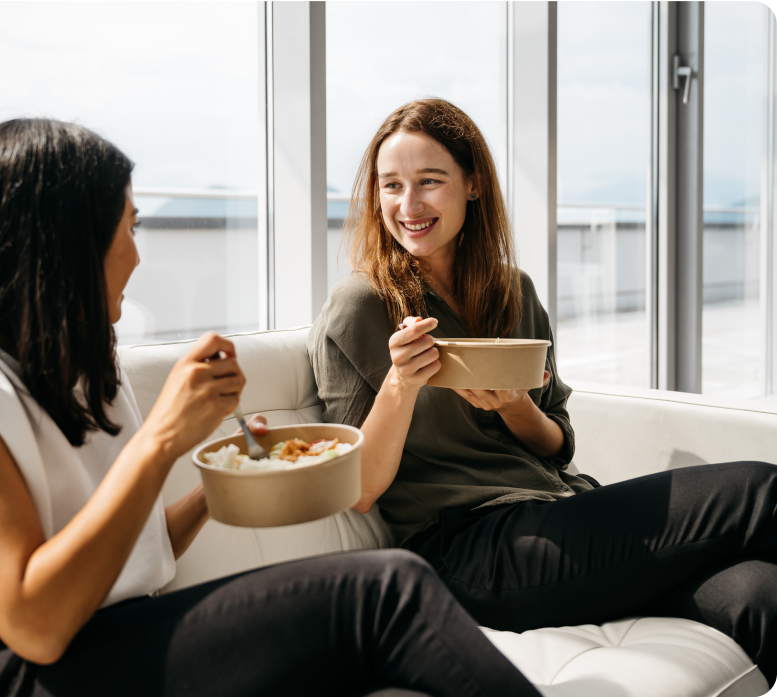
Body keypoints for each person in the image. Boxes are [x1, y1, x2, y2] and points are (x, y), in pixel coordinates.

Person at [0, 118, 540, 697]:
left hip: (104, 638)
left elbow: (104, 552)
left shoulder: (72, 374)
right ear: (66, 245)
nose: (137, 251)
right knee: (390, 588)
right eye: (129, 225)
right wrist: (161, 438)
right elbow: (34, 620)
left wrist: (226, 492)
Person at [308, 97, 777, 686]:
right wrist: (401, 384)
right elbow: (357, 489)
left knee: (761, 594)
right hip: (472, 550)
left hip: (562, 513)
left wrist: (515, 406)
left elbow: (558, 445)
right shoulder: (362, 305)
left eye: (430, 182)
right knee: (759, 489)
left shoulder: (511, 291)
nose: (409, 205)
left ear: (473, 185)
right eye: (391, 186)